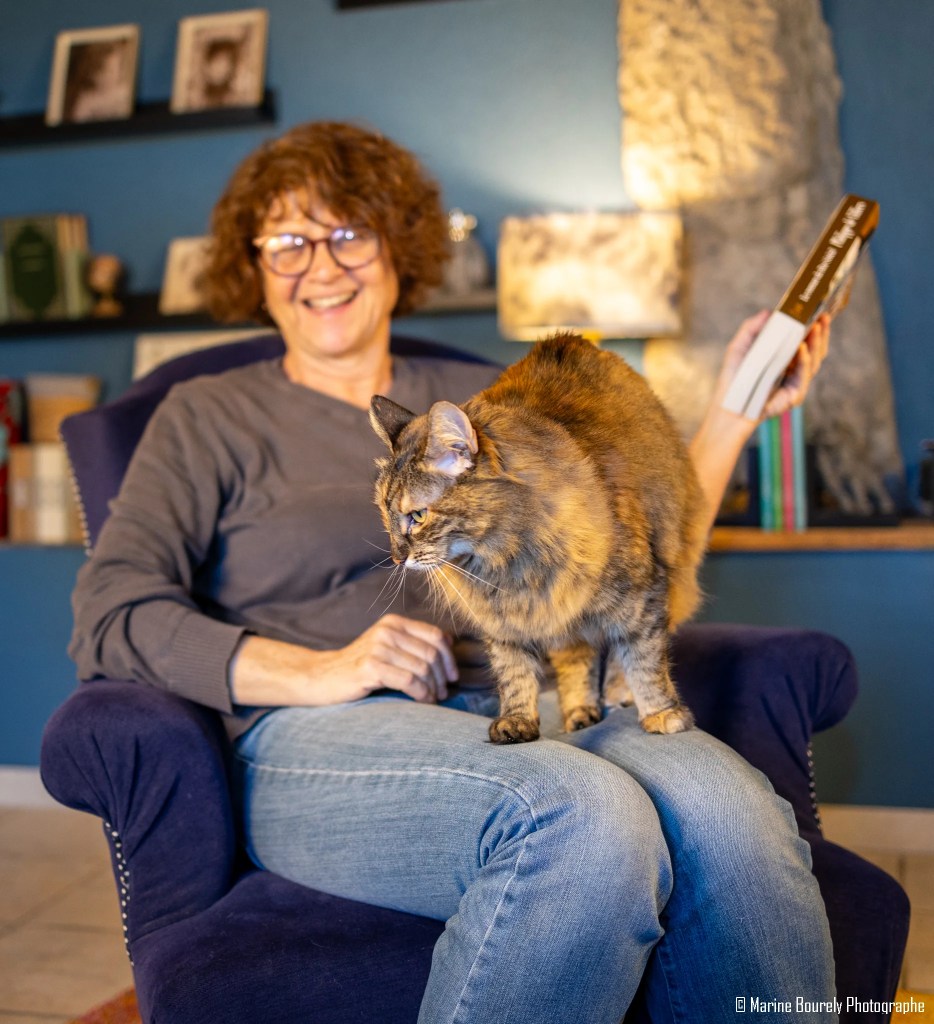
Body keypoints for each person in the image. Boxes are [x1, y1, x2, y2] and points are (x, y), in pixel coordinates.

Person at [69, 121, 834, 1024]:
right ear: (254, 263)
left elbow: (632, 538)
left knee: (737, 814)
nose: (320, 264)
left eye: (349, 231)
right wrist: (322, 668)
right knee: (579, 816)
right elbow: (110, 612)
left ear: (398, 247)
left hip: (524, 702)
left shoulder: (489, 394)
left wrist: (740, 404)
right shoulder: (205, 414)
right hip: (318, 734)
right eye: (287, 239)